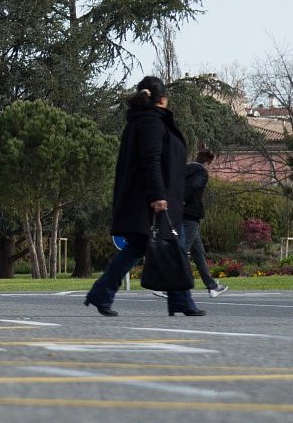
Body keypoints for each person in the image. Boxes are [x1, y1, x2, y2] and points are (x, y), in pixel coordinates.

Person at [84, 76, 205, 317]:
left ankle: (179, 300)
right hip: (153, 201)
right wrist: (159, 195)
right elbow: (151, 161)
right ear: (162, 99)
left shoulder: (143, 121)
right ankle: (180, 301)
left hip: (153, 199)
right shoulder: (151, 122)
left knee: (166, 248)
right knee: (167, 248)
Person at [182, 145, 228, 298]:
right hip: (191, 215)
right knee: (181, 251)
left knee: (198, 252)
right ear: (207, 163)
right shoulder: (201, 172)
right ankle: (165, 285)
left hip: (182, 214)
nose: (212, 168)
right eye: (212, 165)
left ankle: (212, 286)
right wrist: (186, 199)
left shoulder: (185, 169)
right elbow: (194, 186)